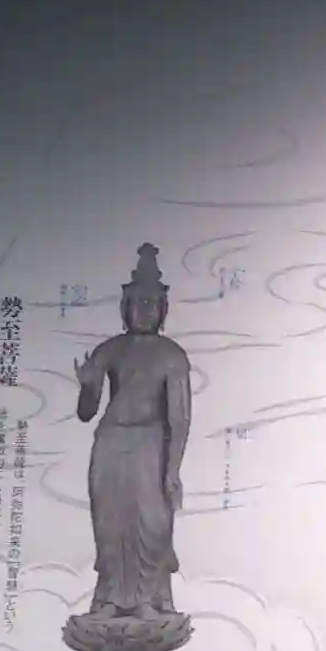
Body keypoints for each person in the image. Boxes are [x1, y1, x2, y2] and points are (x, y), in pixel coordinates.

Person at [72, 243, 191, 618]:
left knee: (152, 522)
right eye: (137, 303)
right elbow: (86, 413)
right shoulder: (110, 350)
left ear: (163, 309)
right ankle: (109, 597)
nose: (144, 310)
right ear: (125, 308)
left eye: (151, 303)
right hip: (110, 442)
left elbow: (180, 418)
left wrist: (172, 470)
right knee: (110, 523)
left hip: (150, 444)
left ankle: (147, 598)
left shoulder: (172, 355)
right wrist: (87, 386)